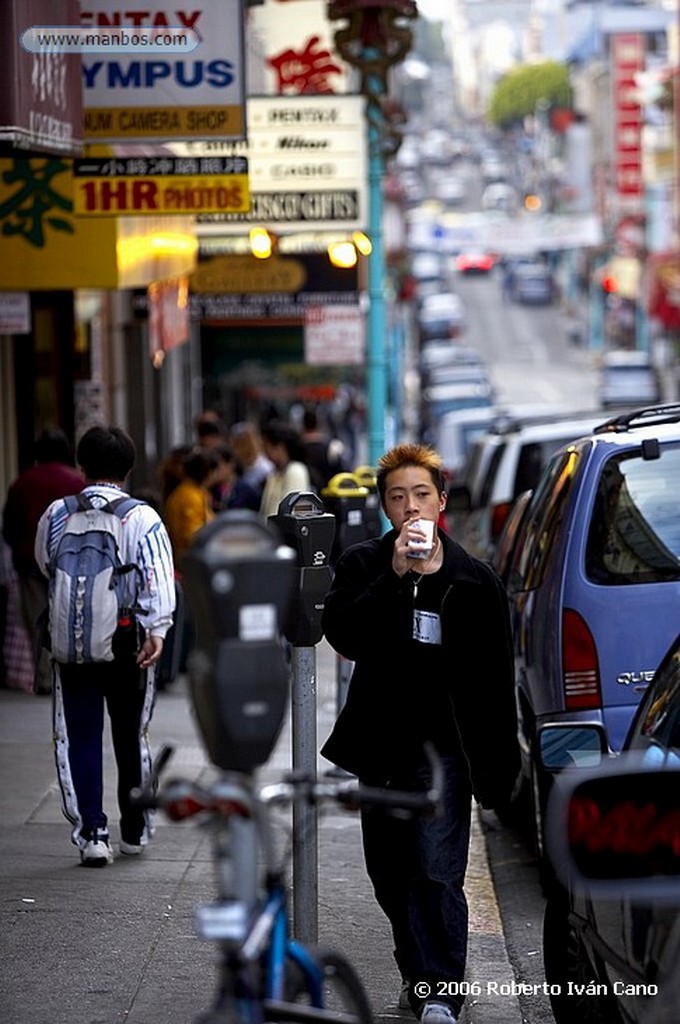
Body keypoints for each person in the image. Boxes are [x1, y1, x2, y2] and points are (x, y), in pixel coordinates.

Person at [320, 442, 520, 1024]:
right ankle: (418, 971)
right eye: (398, 498)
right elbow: (345, 634)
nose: (411, 508)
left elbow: (494, 678)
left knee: (436, 871)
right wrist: (396, 575)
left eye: (421, 496)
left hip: (447, 756)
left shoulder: (473, 581)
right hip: (381, 749)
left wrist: (500, 770)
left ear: (441, 502)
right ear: (386, 507)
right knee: (390, 875)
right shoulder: (363, 564)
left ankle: (441, 994)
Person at [34, 426, 176, 867]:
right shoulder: (142, 516)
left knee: (79, 734)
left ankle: (92, 833)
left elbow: (46, 563)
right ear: (129, 469)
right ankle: (133, 829)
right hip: (126, 635)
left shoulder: (57, 513)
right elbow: (156, 576)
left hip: (73, 638)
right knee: (130, 734)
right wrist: (158, 629)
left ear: (82, 466)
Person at [2, 427, 83, 694]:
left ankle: (45, 677)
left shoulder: (23, 482)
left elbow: (10, 526)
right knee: (69, 618)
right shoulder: (77, 483)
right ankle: (68, 673)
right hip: (72, 563)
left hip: (30, 563)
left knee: (37, 620)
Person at [163, 447, 220, 563]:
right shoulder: (191, 497)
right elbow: (192, 534)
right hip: (190, 560)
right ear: (208, 472)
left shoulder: (189, 492)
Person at [259, 420, 312, 519]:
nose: (264, 452)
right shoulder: (274, 473)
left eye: (266, 447)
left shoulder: (296, 471)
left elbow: (292, 511)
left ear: (280, 447)